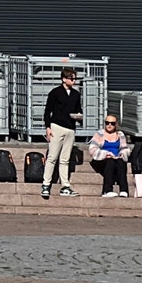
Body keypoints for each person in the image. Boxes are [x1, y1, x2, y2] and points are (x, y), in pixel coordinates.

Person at [41, 68, 84, 199]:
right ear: (64, 79)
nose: (74, 81)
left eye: (75, 78)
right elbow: (47, 111)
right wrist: (48, 127)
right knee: (52, 157)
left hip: (70, 128)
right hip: (57, 126)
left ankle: (65, 185)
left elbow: (78, 110)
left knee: (65, 159)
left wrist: (79, 117)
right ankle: (46, 184)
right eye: (72, 78)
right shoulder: (55, 93)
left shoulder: (76, 94)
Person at [89, 113, 132, 197]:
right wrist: (105, 154)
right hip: (102, 159)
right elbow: (92, 149)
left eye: (112, 123)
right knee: (110, 161)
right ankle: (107, 190)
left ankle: (124, 190)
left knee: (121, 162)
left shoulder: (120, 134)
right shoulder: (99, 134)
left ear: (116, 125)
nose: (109, 125)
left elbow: (125, 148)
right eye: (107, 123)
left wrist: (122, 154)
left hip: (117, 157)